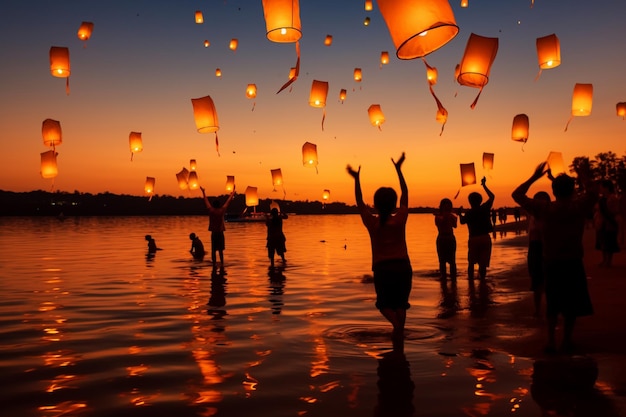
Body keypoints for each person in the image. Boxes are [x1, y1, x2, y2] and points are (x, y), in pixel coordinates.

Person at [512, 162, 596, 354]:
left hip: (552, 262)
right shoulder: (578, 207)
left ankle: (550, 341)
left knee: (553, 301)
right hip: (573, 261)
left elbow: (517, 194)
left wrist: (534, 177)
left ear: (553, 191)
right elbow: (592, 191)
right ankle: (566, 339)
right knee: (572, 304)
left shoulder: (544, 209)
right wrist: (582, 173)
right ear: (572, 190)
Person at [347, 152, 412, 343]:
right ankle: (399, 336)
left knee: (384, 305)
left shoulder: (372, 223)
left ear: (374, 204)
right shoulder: (400, 219)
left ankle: (397, 329)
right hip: (403, 267)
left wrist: (356, 179)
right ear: (394, 204)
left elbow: (359, 202)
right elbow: (406, 195)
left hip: (383, 269)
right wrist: (399, 170)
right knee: (400, 304)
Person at [459, 176, 495, 281]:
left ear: (469, 201)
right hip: (485, 238)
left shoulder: (469, 213)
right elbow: (492, 196)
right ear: (480, 200)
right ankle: (482, 282)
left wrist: (460, 214)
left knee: (471, 263)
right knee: (483, 263)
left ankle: (471, 284)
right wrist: (484, 185)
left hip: (474, 239)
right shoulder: (484, 208)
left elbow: (462, 222)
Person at [526, 191, 551, 317]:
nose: (540, 203)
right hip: (534, 248)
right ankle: (537, 309)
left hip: (546, 248)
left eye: (543, 200)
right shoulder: (531, 215)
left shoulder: (549, 215)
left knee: (549, 281)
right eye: (537, 200)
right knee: (536, 281)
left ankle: (551, 308)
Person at [200, 186, 235, 268]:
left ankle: (214, 264)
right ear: (219, 205)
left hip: (214, 234)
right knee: (220, 250)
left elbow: (206, 201)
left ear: (213, 205)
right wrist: (232, 193)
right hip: (220, 233)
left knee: (213, 250)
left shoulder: (211, 211)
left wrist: (203, 192)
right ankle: (222, 263)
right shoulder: (222, 211)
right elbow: (228, 202)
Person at [593, 179, 620, 267]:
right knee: (603, 242)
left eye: (602, 187)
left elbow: (615, 211)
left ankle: (608, 261)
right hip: (601, 223)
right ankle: (604, 260)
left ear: (607, 188)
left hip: (609, 223)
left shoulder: (612, 198)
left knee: (609, 242)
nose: (600, 189)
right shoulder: (602, 199)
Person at [434, 198, 457, 281]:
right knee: (442, 261)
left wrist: (451, 215)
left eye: (448, 206)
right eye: (445, 206)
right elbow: (441, 221)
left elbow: (455, 225)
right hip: (442, 239)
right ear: (442, 207)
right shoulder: (438, 217)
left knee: (452, 261)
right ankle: (443, 278)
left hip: (450, 238)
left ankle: (453, 279)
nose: (447, 208)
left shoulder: (452, 216)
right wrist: (446, 215)